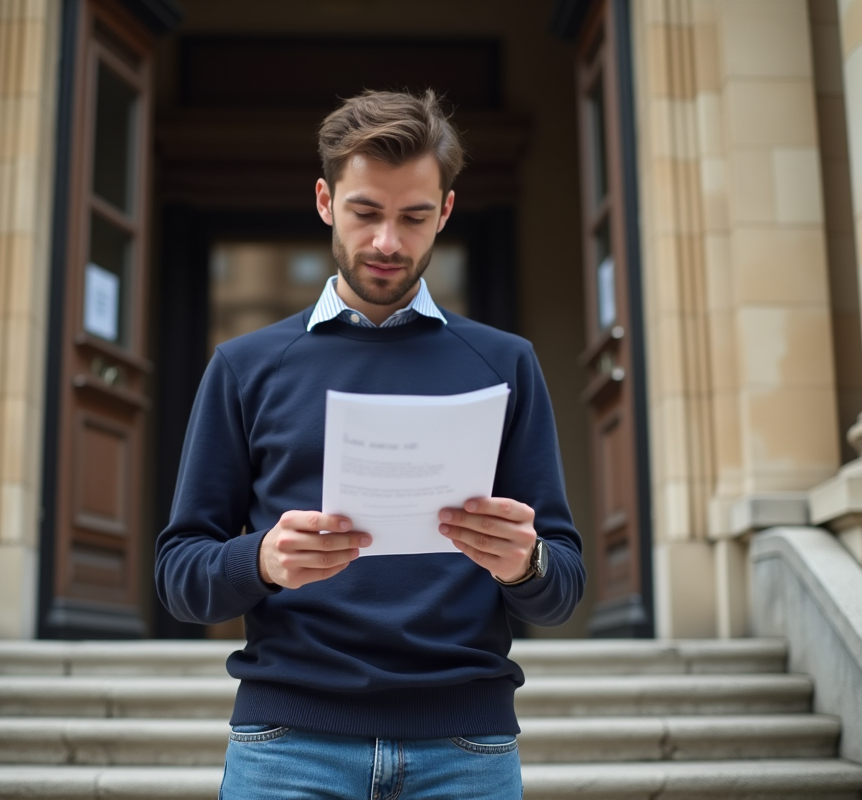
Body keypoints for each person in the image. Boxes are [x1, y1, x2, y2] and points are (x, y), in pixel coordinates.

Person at [155, 89, 585, 800]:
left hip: (466, 748)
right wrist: (260, 559)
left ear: (445, 212)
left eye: (414, 216)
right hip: (287, 747)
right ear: (325, 201)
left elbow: (562, 587)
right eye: (365, 212)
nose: (387, 241)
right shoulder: (244, 365)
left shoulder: (506, 364)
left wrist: (526, 562)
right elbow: (178, 577)